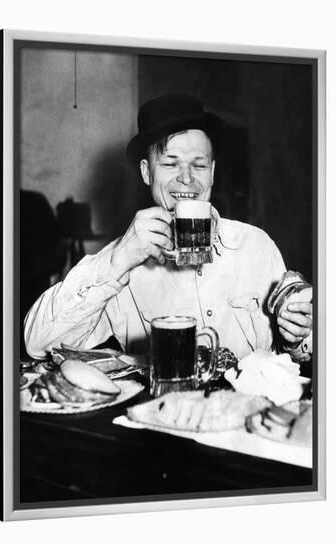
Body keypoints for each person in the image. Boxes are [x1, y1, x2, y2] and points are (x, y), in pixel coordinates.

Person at [24, 94, 312, 362]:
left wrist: (296, 334)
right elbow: (37, 344)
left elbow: (298, 351)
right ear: (147, 172)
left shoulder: (255, 245)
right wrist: (116, 261)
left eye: (198, 165)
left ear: (212, 173)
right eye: (170, 163)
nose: (186, 179)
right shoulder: (123, 261)